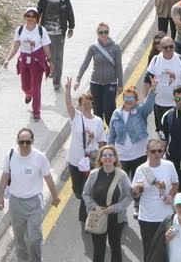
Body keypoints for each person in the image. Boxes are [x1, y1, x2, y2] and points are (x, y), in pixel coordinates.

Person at [0, 127, 61, 262]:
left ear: (32, 141)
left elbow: (48, 178)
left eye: (28, 142)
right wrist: (0, 196)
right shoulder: (10, 156)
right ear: (17, 142)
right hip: (16, 203)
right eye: (21, 142)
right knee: (19, 240)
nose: (24, 145)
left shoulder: (40, 158)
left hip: (34, 203)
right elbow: (4, 176)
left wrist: (55, 197)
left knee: (34, 239)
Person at [82, 146, 132, 262]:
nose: (107, 157)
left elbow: (129, 196)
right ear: (100, 159)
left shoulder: (122, 175)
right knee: (98, 250)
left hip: (116, 218)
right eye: (104, 155)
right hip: (98, 217)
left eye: (111, 155)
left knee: (115, 248)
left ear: (115, 159)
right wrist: (93, 206)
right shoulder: (93, 174)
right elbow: (86, 194)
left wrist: (116, 207)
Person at [64, 85, 107, 224]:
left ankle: (84, 217)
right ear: (80, 106)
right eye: (84, 104)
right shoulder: (76, 117)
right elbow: (68, 104)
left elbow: (101, 142)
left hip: (91, 162)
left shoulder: (98, 121)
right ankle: (80, 196)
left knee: (85, 190)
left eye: (89, 103)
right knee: (77, 191)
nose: (87, 106)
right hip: (75, 161)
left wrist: (100, 160)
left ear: (92, 104)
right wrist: (68, 90)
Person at [132, 138, 180, 261]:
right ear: (146, 153)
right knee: (150, 252)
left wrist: (170, 194)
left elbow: (175, 183)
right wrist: (137, 190)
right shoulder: (141, 170)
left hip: (167, 217)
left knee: (168, 251)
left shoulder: (169, 166)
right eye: (153, 151)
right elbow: (135, 195)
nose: (157, 154)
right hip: (147, 218)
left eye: (160, 151)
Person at [4, 6, 51, 122]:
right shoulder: (20, 30)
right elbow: (15, 46)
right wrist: (7, 59)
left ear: (36, 18)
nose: (30, 18)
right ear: (24, 17)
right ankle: (28, 94)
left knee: (36, 88)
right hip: (24, 60)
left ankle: (36, 111)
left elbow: (46, 47)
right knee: (25, 86)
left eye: (33, 16)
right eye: (28, 16)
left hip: (37, 61)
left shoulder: (41, 30)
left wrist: (50, 61)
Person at [143, 35, 181, 132]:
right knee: (162, 131)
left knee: (179, 131)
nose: (169, 49)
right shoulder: (155, 60)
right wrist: (145, 100)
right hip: (160, 104)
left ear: (174, 46)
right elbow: (146, 80)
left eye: (171, 46)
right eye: (165, 47)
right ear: (160, 48)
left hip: (179, 103)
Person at [108, 86, 156, 184]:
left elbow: (149, 106)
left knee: (139, 185)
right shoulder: (116, 113)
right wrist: (109, 152)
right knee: (121, 185)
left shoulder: (140, 110)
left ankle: (137, 200)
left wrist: (152, 89)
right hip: (121, 157)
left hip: (139, 155)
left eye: (131, 98)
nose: (128, 101)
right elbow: (111, 135)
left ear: (136, 100)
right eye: (126, 98)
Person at [77, 23, 124, 121]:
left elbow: (119, 66)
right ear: (97, 34)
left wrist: (120, 84)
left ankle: (113, 133)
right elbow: (85, 63)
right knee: (97, 110)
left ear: (109, 32)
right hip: (95, 83)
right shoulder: (93, 48)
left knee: (109, 109)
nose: (103, 34)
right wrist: (78, 79)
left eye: (106, 32)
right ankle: (99, 132)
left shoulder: (116, 47)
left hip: (110, 82)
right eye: (101, 32)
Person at [38, 0, 75, 92]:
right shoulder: (43, 0)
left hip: (59, 33)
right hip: (46, 34)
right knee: (48, 56)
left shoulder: (65, 0)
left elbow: (70, 14)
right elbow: (37, 14)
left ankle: (56, 81)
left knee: (58, 57)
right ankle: (50, 70)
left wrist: (71, 28)